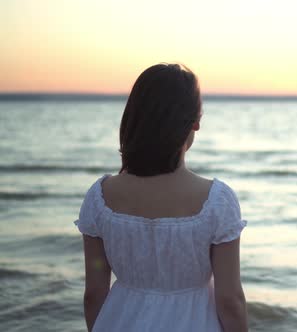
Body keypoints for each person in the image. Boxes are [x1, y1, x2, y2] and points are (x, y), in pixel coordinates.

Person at [74, 63, 248, 331]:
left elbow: (93, 295)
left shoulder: (100, 198)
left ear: (134, 118)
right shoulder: (216, 202)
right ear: (193, 123)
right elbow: (230, 301)